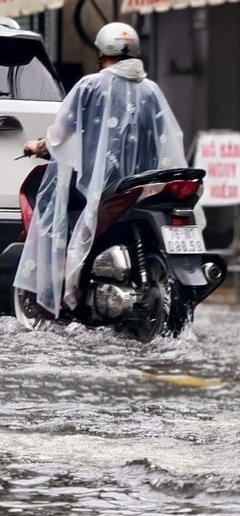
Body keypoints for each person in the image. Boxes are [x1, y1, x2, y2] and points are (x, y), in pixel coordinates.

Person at [14, 22, 188, 316]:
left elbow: (61, 134)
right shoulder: (151, 90)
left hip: (100, 189)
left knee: (51, 211)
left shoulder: (90, 85)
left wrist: (39, 145)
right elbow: (166, 138)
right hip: (144, 185)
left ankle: (61, 282)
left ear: (101, 52)